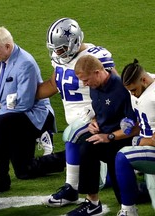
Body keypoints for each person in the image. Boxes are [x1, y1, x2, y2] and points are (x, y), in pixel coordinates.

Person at [39, 18, 117, 207]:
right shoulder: (60, 60)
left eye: (61, 48)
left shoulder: (96, 56)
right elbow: (53, 84)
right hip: (80, 124)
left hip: (96, 121)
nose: (57, 53)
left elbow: (116, 88)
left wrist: (101, 114)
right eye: (55, 49)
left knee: (71, 135)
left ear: (74, 42)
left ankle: (72, 189)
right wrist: (25, 99)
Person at [0, 26, 56, 195]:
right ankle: (68, 158)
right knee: (24, 171)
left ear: (8, 46)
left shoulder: (25, 64)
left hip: (33, 115)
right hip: (11, 113)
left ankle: (0, 177)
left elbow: (25, 103)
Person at [63, 55, 139, 216]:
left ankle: (140, 191)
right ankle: (92, 203)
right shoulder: (94, 86)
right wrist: (94, 121)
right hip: (104, 137)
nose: (85, 84)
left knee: (125, 195)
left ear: (97, 72)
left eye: (86, 80)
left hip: (121, 140)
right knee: (87, 149)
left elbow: (135, 127)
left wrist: (109, 137)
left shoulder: (122, 89)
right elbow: (99, 110)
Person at [115, 59, 155, 216]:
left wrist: (138, 140)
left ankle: (128, 211)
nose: (132, 94)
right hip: (149, 147)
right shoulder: (144, 84)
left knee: (123, 156)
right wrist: (132, 125)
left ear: (144, 80)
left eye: (133, 90)